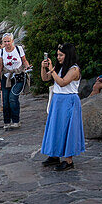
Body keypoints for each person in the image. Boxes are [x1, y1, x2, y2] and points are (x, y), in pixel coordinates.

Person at [39, 43, 85, 171]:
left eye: (61, 55)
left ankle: (68, 160)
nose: (58, 57)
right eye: (57, 55)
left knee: (67, 129)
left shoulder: (74, 69)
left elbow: (63, 82)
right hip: (58, 100)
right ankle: (54, 155)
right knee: (55, 127)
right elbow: (45, 78)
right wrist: (44, 68)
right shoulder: (60, 67)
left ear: (68, 54)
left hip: (68, 100)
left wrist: (52, 70)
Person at [0, 33, 28, 130]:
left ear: (12, 41)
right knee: (5, 100)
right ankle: (7, 121)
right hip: (6, 77)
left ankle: (16, 120)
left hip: (18, 76)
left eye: (9, 41)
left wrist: (27, 67)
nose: (7, 43)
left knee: (13, 97)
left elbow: (24, 60)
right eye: (5, 41)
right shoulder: (1, 52)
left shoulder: (18, 49)